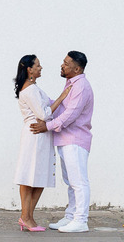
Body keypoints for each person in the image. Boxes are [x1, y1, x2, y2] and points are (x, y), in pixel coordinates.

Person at [30, 51, 93, 233]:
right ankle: (71, 216)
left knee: (78, 181)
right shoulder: (71, 84)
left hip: (75, 139)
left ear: (77, 68)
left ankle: (81, 220)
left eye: (66, 64)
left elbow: (69, 115)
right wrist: (36, 93)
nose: (62, 65)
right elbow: (61, 108)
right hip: (66, 139)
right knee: (70, 181)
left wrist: (47, 126)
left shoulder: (80, 86)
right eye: (63, 62)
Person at [13, 55, 72, 232]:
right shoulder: (30, 89)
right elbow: (44, 114)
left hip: (41, 135)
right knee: (29, 176)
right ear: (29, 69)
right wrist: (62, 97)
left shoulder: (34, 88)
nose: (41, 68)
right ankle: (26, 217)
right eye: (38, 65)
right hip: (35, 136)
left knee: (38, 176)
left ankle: (28, 217)